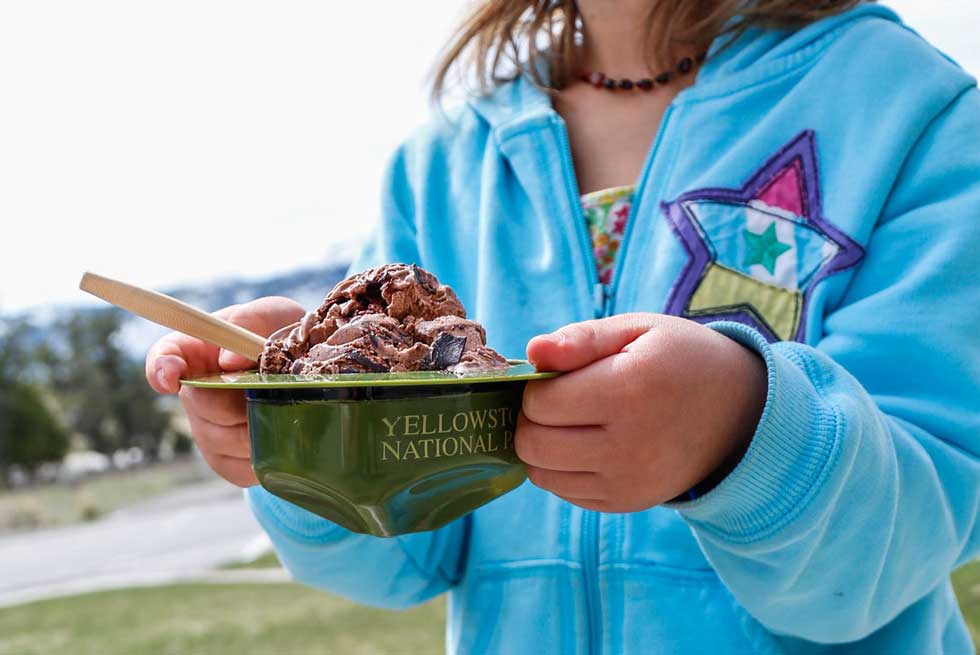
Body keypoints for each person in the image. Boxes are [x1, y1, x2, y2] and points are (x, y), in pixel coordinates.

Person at [145, 0, 980, 652]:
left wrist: (741, 431)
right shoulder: (442, 163)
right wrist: (312, 436)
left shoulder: (906, 110)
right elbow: (405, 560)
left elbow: (917, 522)